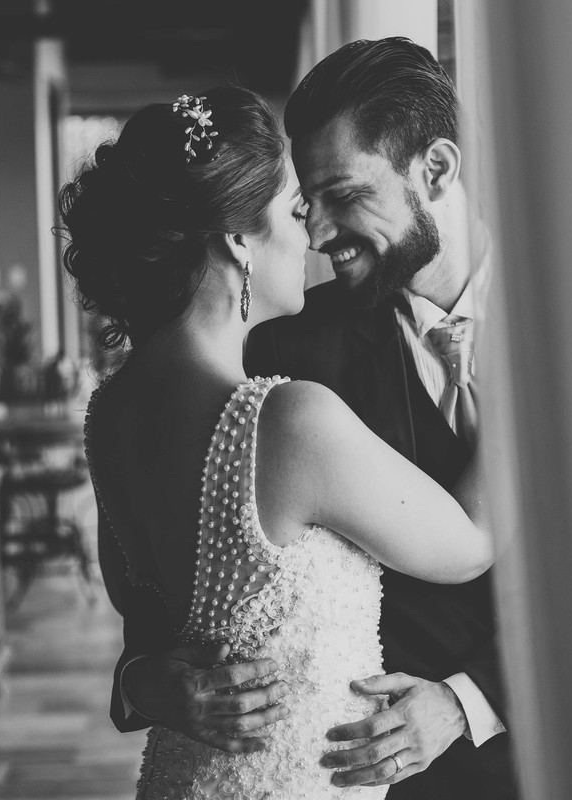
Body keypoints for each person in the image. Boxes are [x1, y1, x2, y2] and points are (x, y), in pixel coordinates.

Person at [113, 40, 518, 800]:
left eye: (340, 193)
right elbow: (166, 590)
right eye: (305, 201)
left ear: (435, 170)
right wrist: (142, 682)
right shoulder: (279, 349)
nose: (320, 233)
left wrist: (468, 701)